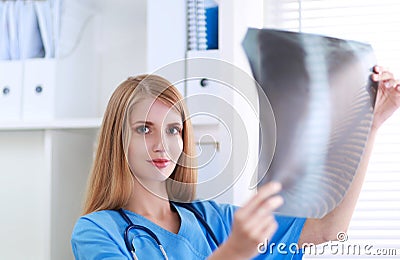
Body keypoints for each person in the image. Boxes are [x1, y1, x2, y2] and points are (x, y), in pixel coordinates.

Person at [71, 66, 400, 259]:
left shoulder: (213, 219)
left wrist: (370, 127)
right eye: (144, 129)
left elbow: (327, 231)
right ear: (119, 139)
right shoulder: (96, 232)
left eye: (173, 129)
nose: (162, 144)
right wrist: (235, 251)